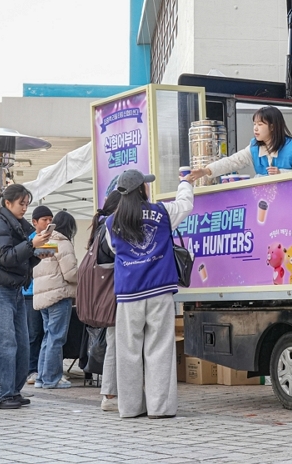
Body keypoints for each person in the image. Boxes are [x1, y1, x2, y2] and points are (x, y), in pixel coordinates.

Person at [106, 169, 194, 418]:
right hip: (159, 290)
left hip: (128, 293)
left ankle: (131, 408)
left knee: (128, 352)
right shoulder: (162, 212)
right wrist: (185, 183)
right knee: (160, 348)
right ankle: (160, 407)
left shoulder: (111, 222)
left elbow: (114, 249)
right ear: (142, 189)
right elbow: (185, 204)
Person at [0, 184, 49, 409]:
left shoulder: (18, 226)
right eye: (22, 203)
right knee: (3, 343)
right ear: (8, 203)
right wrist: (31, 245)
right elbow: (6, 257)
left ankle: (12, 391)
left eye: (27, 204)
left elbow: (20, 260)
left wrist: (39, 252)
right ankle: (0, 394)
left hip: (15, 289)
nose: (25, 208)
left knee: (21, 343)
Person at [189, 105, 292, 181]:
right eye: (254, 124)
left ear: (273, 127)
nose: (255, 128)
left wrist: (281, 173)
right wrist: (206, 171)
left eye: (260, 124)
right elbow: (233, 161)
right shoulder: (254, 148)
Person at [32, 210, 79, 389]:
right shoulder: (62, 242)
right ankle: (52, 378)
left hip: (43, 296)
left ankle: (41, 378)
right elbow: (71, 274)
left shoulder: (43, 240)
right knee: (56, 338)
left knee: (48, 337)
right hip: (59, 295)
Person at [89, 190, 121, 411]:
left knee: (114, 342)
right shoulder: (109, 228)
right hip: (114, 292)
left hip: (106, 293)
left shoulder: (100, 226)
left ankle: (111, 394)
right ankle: (110, 395)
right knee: (115, 343)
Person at [24, 205, 52, 385]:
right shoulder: (31, 240)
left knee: (44, 332)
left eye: (51, 220)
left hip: (47, 292)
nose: (49, 223)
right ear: (35, 222)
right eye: (45, 220)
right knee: (33, 333)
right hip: (30, 292)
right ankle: (30, 369)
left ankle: (40, 369)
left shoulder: (51, 239)